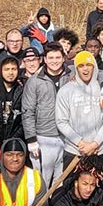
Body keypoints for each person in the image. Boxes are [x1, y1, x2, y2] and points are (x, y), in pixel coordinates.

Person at [55, 51, 103, 167]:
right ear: (76, 68)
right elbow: (61, 121)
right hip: (74, 151)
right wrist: (80, 143)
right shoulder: (65, 91)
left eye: (89, 65)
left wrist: (94, 144)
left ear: (94, 67)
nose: (85, 69)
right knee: (73, 185)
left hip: (99, 150)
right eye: (81, 66)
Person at [23, 43, 71, 189]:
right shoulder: (35, 81)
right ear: (44, 59)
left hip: (67, 136)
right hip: (44, 136)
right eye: (51, 57)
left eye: (58, 57)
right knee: (42, 181)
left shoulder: (71, 77)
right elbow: (27, 110)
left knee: (61, 180)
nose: (54, 61)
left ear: (64, 58)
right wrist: (31, 139)